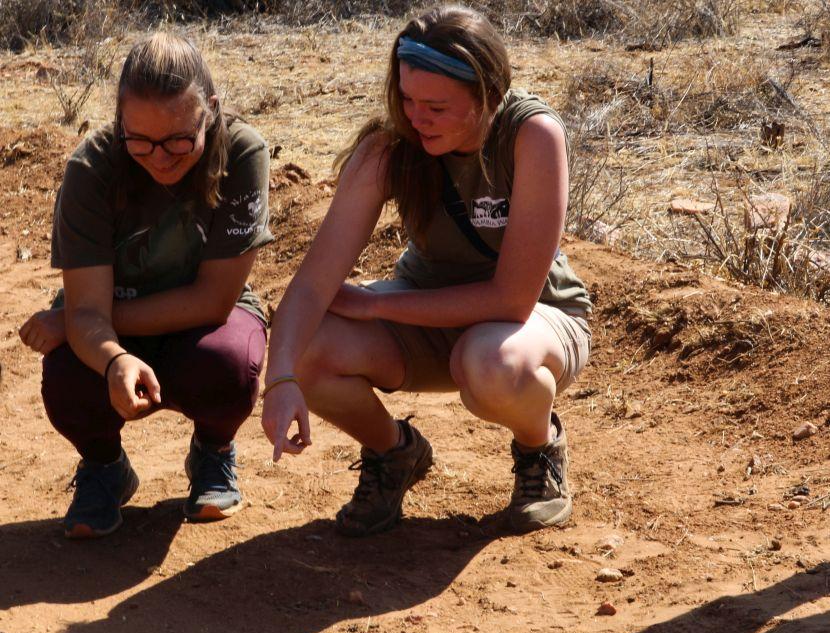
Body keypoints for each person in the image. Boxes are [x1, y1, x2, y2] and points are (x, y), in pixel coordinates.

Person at [261, 5, 591, 536]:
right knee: (307, 348)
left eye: (436, 106)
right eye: (408, 100)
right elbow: (312, 283)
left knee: (490, 360)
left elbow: (512, 300)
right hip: (430, 316)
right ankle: (394, 452)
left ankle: (539, 451)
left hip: (532, 323)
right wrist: (278, 381)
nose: (417, 118)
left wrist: (376, 304)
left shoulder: (532, 135)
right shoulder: (388, 149)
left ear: (487, 93)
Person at [19, 32, 273, 538]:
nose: (159, 157)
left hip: (203, 322)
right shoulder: (90, 169)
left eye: (180, 140)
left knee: (230, 368)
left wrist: (74, 323)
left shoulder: (242, 152)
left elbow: (214, 300)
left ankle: (213, 451)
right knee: (68, 376)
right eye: (138, 140)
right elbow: (87, 309)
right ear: (119, 122)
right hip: (115, 321)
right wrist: (112, 356)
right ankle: (104, 466)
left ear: (212, 112)